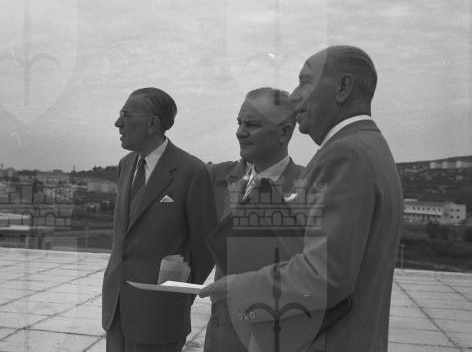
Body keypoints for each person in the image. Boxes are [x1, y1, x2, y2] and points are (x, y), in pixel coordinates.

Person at [200, 45, 403, 352]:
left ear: (343, 87)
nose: (295, 97)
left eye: (305, 82)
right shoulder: (370, 146)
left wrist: (239, 286)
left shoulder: (345, 154)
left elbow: (324, 277)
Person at [102, 87, 218, 352]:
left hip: (160, 315)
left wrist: (177, 296)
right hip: (116, 308)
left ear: (153, 123)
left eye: (125, 115)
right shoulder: (125, 165)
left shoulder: (192, 171)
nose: (118, 123)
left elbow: (205, 246)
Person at [204, 87, 305, 352]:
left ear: (284, 132)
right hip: (224, 340)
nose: (240, 132)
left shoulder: (310, 187)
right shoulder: (221, 181)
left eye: (252, 125)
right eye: (239, 123)